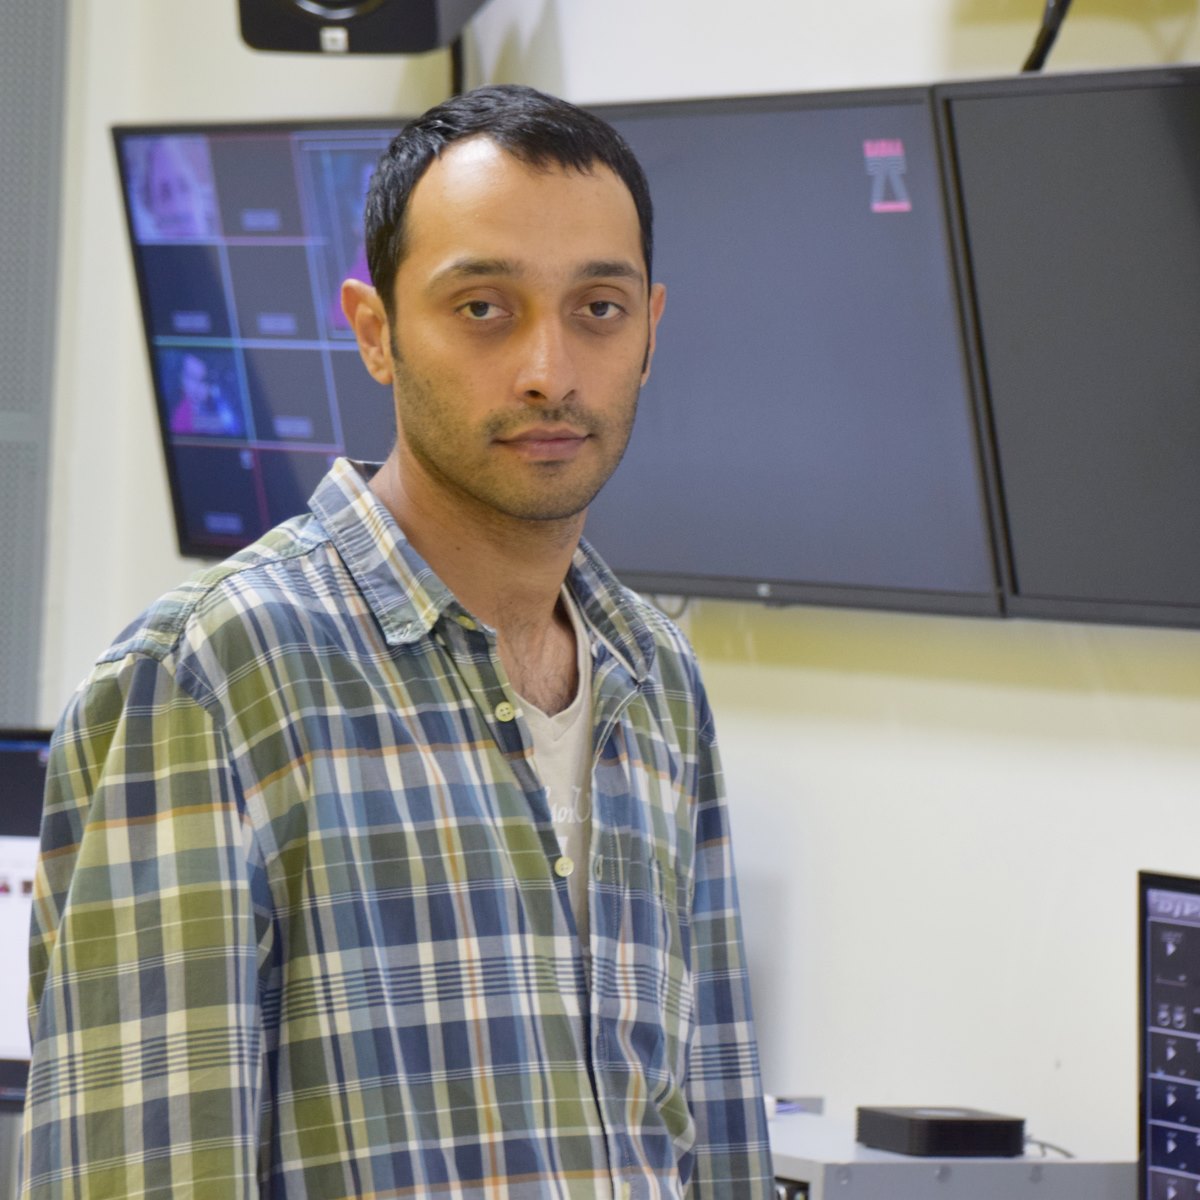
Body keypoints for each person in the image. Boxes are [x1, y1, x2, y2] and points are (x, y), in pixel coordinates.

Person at [22, 85, 772, 1198]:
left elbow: (716, 1132)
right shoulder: (213, 676)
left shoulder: (653, 677)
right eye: (484, 307)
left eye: (598, 308)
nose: (550, 370)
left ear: (651, 329)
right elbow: (138, 1174)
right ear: (375, 332)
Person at [168, 351, 243, 436]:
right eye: (191, 377)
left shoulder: (226, 404)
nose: (195, 389)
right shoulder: (177, 412)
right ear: (181, 376)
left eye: (203, 381)